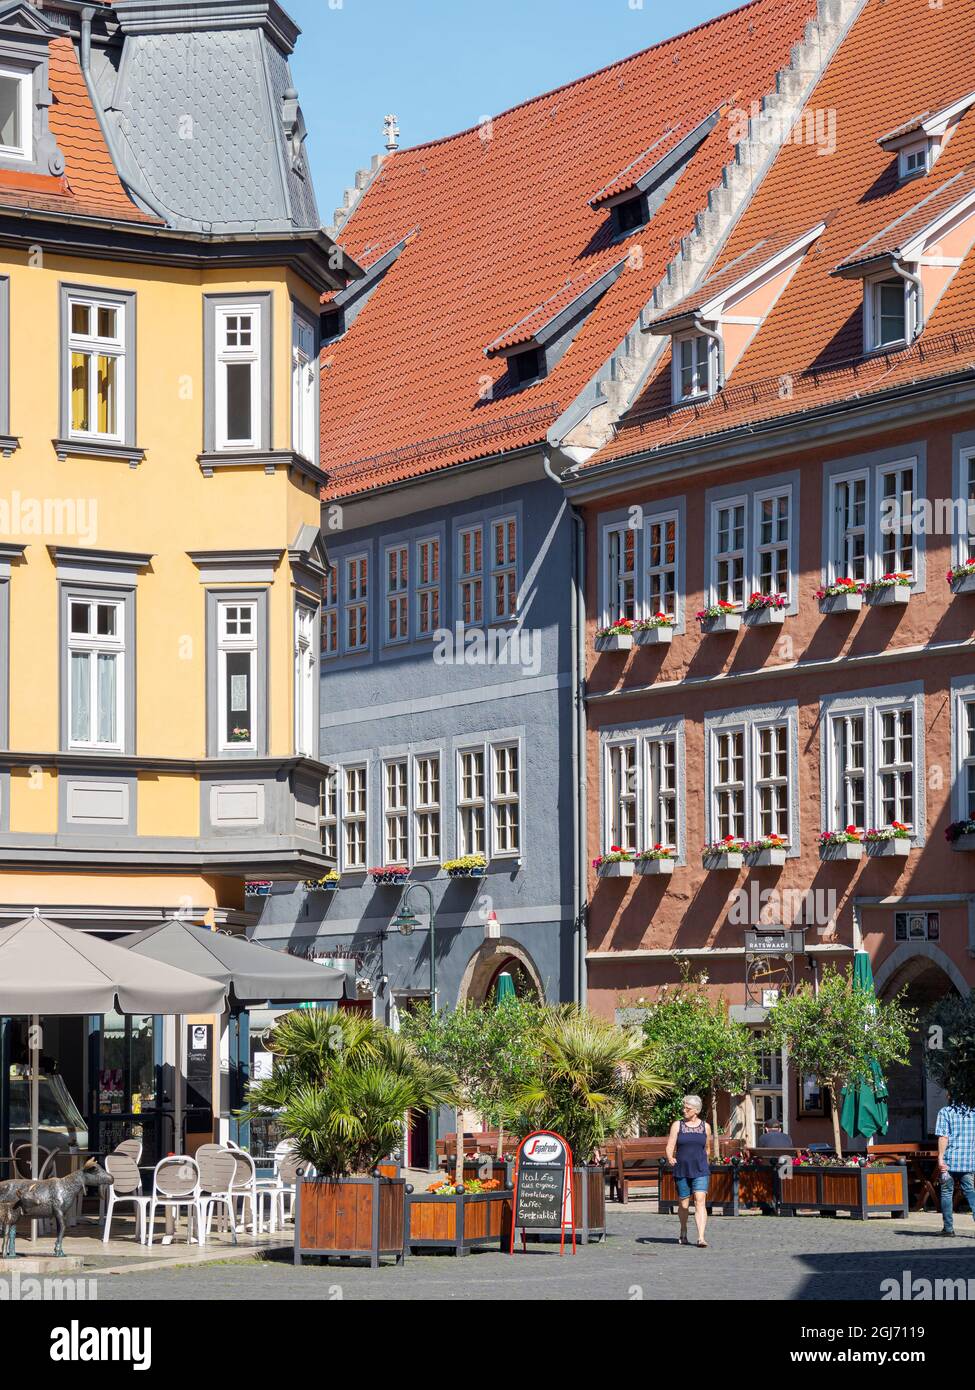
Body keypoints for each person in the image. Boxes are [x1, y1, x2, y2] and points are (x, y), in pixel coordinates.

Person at [666, 1095, 711, 1247]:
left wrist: (705, 1163)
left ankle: (701, 1237)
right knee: (684, 1204)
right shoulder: (677, 1125)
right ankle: (683, 1230)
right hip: (682, 1169)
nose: (684, 1110)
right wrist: (670, 1157)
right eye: (684, 1107)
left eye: (688, 1108)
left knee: (700, 1201)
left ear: (696, 1110)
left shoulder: (705, 1127)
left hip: (700, 1169)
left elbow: (707, 1148)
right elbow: (670, 1145)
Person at [934, 1096, 975, 1237]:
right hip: (968, 1162)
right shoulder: (973, 1112)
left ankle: (948, 1229)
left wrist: (940, 1158)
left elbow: (943, 1137)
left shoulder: (945, 1112)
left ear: (950, 1096)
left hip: (949, 1162)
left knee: (946, 1194)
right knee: (971, 1194)